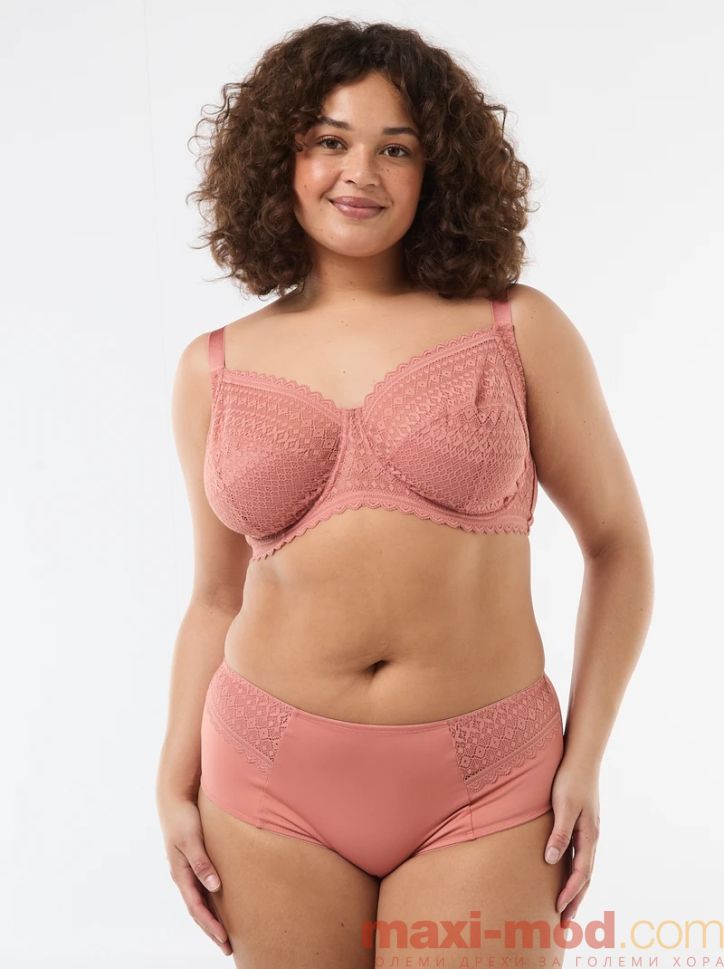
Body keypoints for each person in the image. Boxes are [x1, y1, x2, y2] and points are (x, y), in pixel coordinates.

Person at [155, 17, 654, 968]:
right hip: (266, 778)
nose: (361, 174)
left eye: (397, 148)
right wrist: (171, 781)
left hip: (489, 782)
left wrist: (586, 757)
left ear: (439, 171)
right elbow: (216, 595)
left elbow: (618, 547)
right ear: (280, 159)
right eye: (330, 141)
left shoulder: (517, 327)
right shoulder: (211, 367)